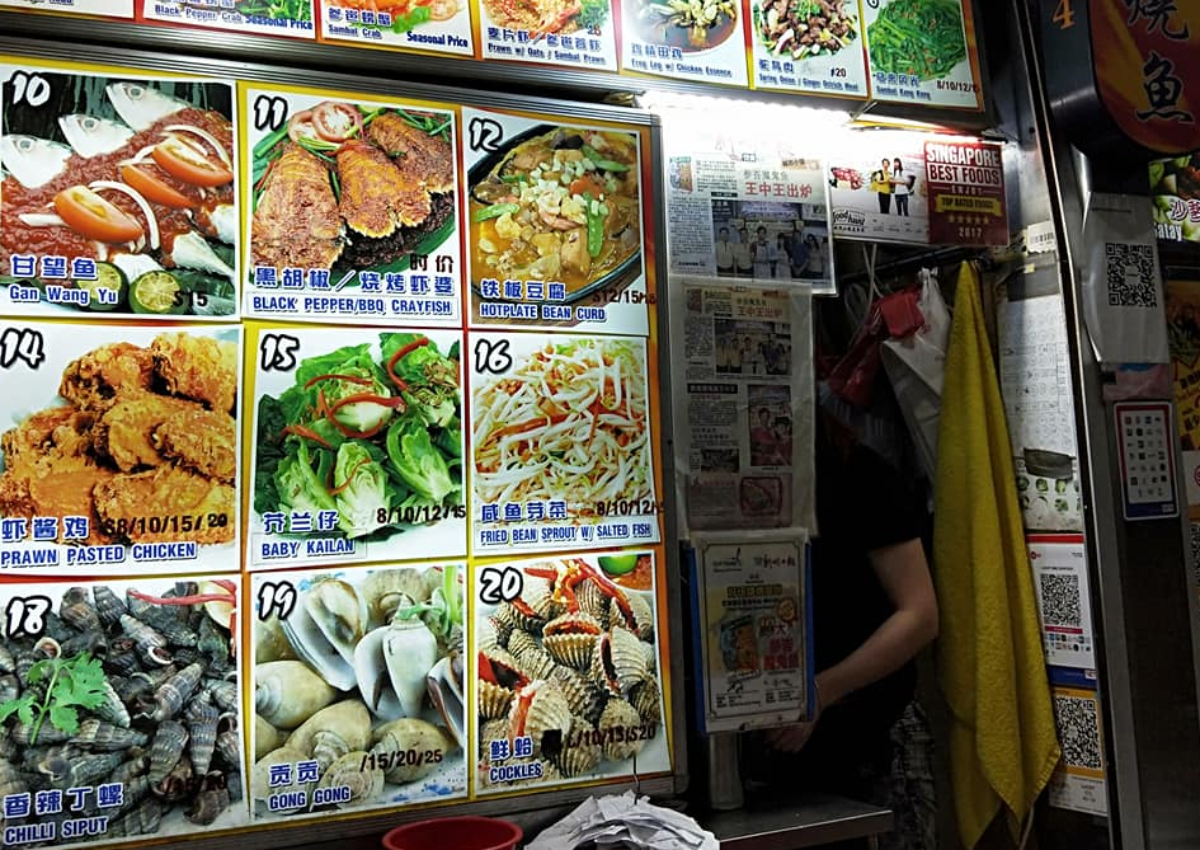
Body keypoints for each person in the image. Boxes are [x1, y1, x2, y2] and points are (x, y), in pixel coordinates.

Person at [755, 414, 939, 850]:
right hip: (798, 751)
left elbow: (920, 616)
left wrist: (821, 691)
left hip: (878, 730)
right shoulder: (752, 489)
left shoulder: (860, 475)